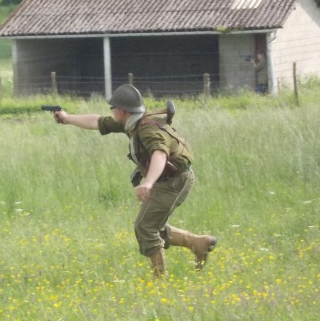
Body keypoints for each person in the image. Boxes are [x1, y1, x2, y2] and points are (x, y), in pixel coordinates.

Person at [51, 84, 217, 277]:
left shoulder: (146, 129)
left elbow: (160, 154)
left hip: (174, 181)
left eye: (113, 108)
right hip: (169, 180)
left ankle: (159, 280)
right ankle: (199, 243)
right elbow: (97, 121)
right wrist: (66, 118)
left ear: (122, 111)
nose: (111, 111)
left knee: (145, 227)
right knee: (151, 224)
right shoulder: (131, 121)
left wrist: (148, 182)